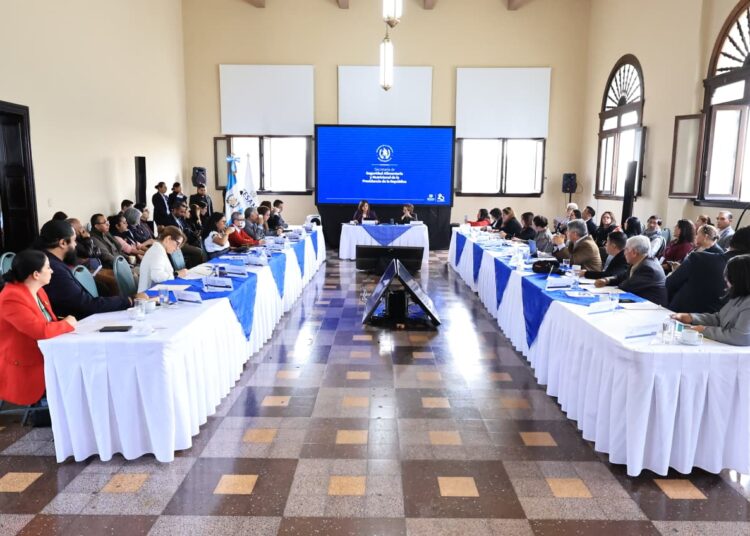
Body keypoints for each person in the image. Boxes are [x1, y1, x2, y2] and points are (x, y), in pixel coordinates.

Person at [0, 250, 76, 406]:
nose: (52, 271)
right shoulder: (11, 297)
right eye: (48, 267)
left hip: (46, 353)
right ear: (35, 274)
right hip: (26, 365)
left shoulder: (38, 290)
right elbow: (40, 331)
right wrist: (67, 323)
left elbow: (49, 322)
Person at [36, 220, 135, 319]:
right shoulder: (54, 269)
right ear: (63, 243)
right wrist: (129, 301)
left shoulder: (49, 261)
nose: (75, 245)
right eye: (74, 240)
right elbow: (86, 305)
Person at [672, 254, 750, 346]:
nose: (726, 282)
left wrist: (704, 330)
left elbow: (740, 337)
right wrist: (691, 317)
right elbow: (719, 318)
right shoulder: (740, 295)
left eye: (729, 279)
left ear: (740, 280)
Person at [666, 225, 727, 314]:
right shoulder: (697, 248)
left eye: (697, 234)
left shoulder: (717, 254)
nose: (695, 236)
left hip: (697, 299)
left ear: (705, 236)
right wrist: (680, 267)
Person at [595, 235, 667, 306]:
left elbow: (626, 286)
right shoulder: (639, 262)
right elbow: (622, 277)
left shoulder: (648, 268)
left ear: (634, 252)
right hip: (640, 303)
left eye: (626, 249)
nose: (624, 252)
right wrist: (607, 280)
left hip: (653, 308)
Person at [137, 226, 189, 292]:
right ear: (168, 238)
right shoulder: (157, 251)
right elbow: (156, 276)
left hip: (155, 292)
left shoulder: (160, 249)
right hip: (149, 295)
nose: (177, 248)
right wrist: (176, 274)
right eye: (177, 244)